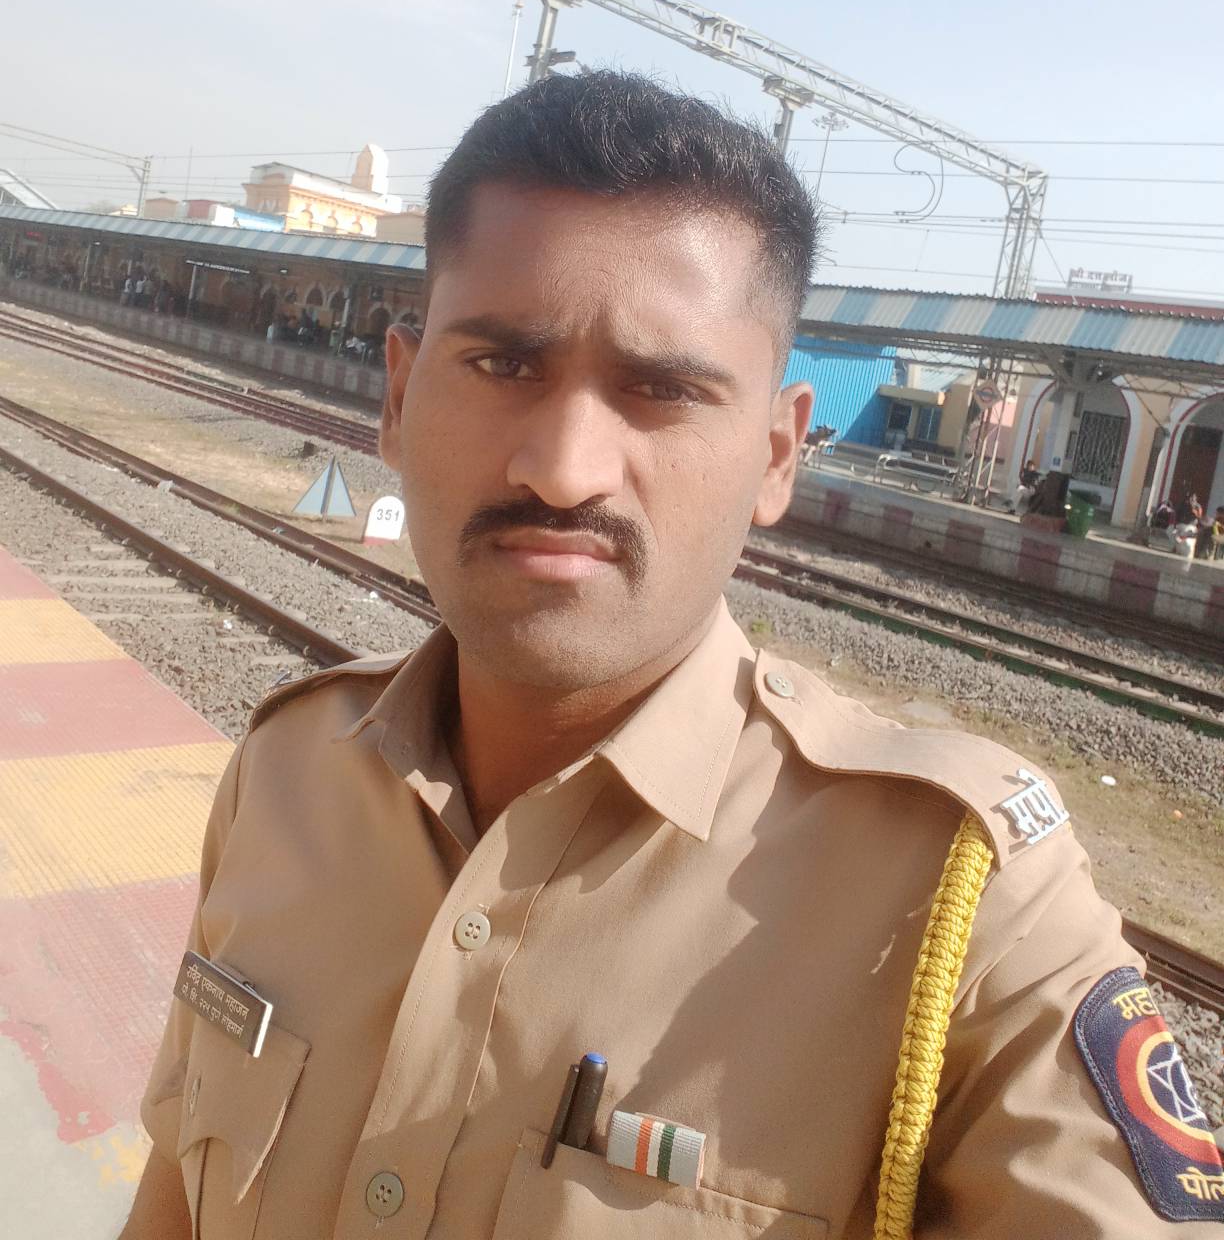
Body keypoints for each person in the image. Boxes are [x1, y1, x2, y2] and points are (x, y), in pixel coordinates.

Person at [124, 73, 1223, 1239]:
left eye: (663, 390)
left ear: (777, 456)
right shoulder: (284, 774)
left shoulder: (965, 909)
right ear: (398, 398)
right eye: (502, 366)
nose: (562, 469)